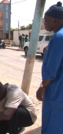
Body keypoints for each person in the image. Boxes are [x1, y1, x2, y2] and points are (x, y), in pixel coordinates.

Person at [36, 2, 63, 134]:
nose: (44, 23)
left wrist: (42, 87)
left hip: (57, 93)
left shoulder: (58, 38)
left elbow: (51, 70)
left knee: (53, 125)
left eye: (46, 20)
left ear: (56, 20)